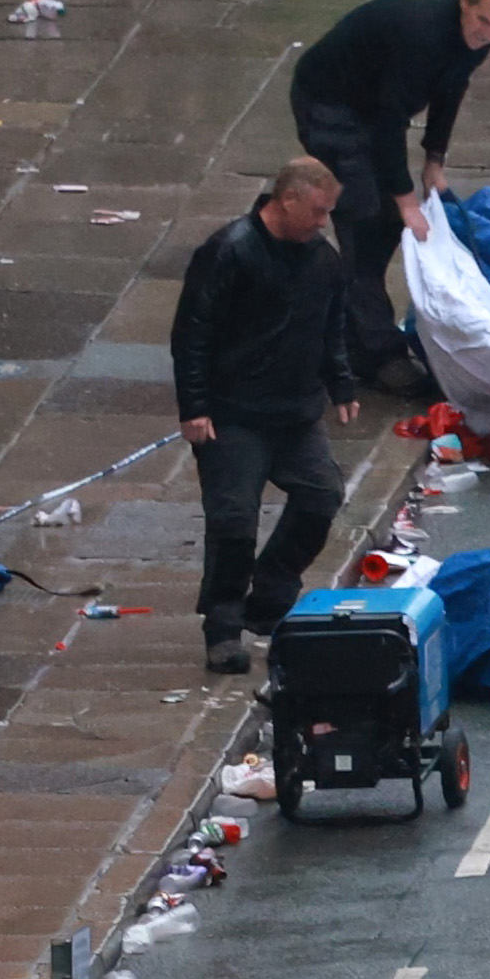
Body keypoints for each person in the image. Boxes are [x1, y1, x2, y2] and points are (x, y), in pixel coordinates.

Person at [175, 155, 366, 678]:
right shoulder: (228, 252)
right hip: (233, 415)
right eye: (318, 211)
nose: (324, 222)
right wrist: (193, 407)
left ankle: (272, 592)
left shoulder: (321, 261)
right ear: (287, 201)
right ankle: (223, 625)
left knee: (321, 495)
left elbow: (331, 326)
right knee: (233, 520)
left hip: (295, 413)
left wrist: (341, 382)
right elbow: (193, 331)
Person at [287, 0, 490, 397]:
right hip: (331, 103)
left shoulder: (474, 43)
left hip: (370, 107)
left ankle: (352, 329)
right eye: (481, 21)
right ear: (465, 2)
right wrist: (407, 199)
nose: (485, 34)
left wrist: (434, 158)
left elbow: (451, 89)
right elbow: (391, 122)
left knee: (384, 223)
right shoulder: (423, 36)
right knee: (366, 218)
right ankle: (376, 355)